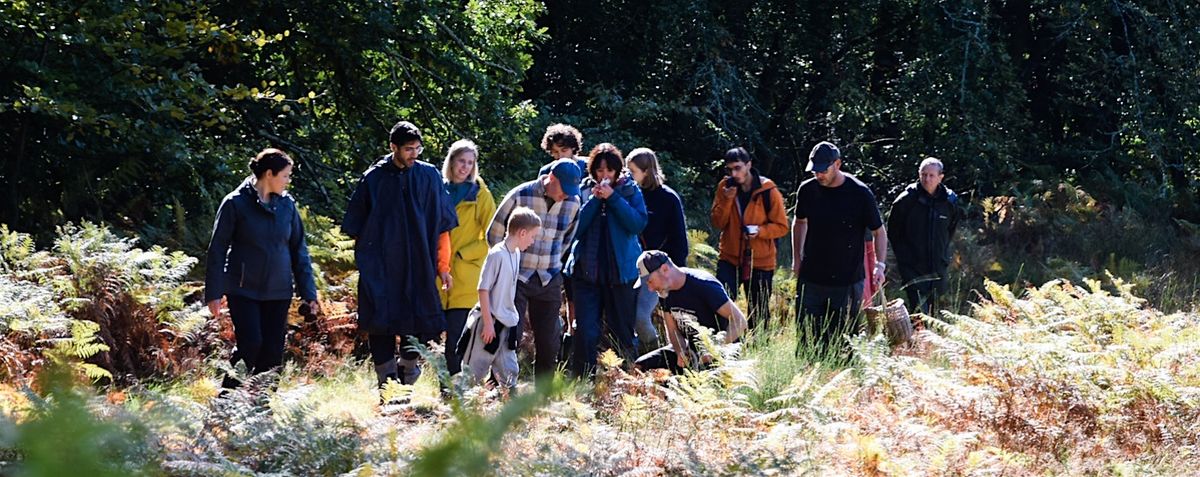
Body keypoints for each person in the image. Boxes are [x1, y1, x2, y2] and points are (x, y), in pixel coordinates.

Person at [342, 121, 458, 388]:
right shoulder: (373, 179)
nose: (413, 154)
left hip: (419, 264)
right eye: (408, 149)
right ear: (393, 147)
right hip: (381, 268)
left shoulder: (428, 176)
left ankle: (407, 371)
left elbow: (442, 227)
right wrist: (370, 262)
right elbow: (357, 228)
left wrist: (443, 267)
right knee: (380, 323)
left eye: (418, 148)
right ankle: (387, 385)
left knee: (420, 321)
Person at [205, 148, 319, 388]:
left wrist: (309, 294)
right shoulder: (235, 203)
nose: (288, 181)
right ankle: (227, 403)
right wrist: (213, 293)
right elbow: (217, 249)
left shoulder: (287, 206)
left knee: (273, 351)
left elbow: (300, 250)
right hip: (243, 289)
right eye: (285, 175)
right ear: (269, 174)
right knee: (251, 345)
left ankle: (262, 408)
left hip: (278, 291)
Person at [487, 158, 582, 377]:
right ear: (552, 179)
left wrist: (554, 260)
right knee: (511, 335)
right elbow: (494, 233)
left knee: (549, 341)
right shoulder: (521, 195)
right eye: (563, 189)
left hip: (549, 277)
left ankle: (542, 395)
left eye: (571, 190)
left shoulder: (574, 203)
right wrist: (507, 264)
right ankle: (499, 388)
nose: (566, 195)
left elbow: (567, 238)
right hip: (516, 277)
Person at [791, 141, 887, 350]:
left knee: (843, 343)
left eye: (823, 170)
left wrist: (880, 265)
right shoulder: (807, 190)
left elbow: (879, 232)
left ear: (837, 164)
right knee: (806, 338)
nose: (818, 175)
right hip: (811, 278)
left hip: (847, 281)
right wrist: (796, 259)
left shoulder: (860, 193)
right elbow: (799, 222)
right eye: (814, 170)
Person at [565, 143, 648, 376]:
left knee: (622, 331)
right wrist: (594, 202)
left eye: (609, 171)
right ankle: (583, 381)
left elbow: (637, 224)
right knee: (586, 331)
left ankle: (626, 380)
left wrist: (613, 199)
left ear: (617, 170)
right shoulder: (582, 190)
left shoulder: (630, 190)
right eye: (599, 171)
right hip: (586, 273)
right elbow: (574, 229)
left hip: (621, 274)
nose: (604, 176)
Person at [457, 207, 542, 388]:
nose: (532, 241)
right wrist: (488, 324)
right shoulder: (497, 254)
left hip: (506, 323)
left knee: (509, 369)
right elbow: (483, 289)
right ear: (522, 233)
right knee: (474, 372)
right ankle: (461, 406)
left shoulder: (516, 253)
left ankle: (510, 407)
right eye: (532, 236)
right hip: (489, 325)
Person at [709, 147, 789, 329]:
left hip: (760, 261)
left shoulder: (768, 190)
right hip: (729, 258)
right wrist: (728, 199)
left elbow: (782, 226)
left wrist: (760, 231)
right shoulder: (725, 187)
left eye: (737, 168)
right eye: (729, 169)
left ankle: (758, 349)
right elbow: (717, 222)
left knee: (759, 312)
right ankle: (724, 347)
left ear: (749, 165)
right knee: (720, 304)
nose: (734, 173)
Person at [633, 251, 748, 374]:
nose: (650, 289)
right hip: (692, 352)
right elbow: (672, 330)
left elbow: (740, 321)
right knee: (641, 366)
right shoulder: (664, 291)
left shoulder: (703, 285)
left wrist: (714, 349)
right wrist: (680, 351)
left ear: (665, 269)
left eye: (650, 281)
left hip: (721, 351)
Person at [439, 139, 497, 376]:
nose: (465, 167)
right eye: (461, 161)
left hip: (466, 277)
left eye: (470, 163)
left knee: (456, 338)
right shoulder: (437, 188)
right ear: (451, 162)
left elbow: (495, 236)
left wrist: (465, 254)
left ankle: (455, 389)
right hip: (436, 275)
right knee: (426, 337)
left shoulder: (479, 194)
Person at [626, 147, 688, 352]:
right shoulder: (629, 194)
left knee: (641, 317)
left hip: (657, 269)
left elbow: (679, 240)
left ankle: (653, 355)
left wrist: (673, 274)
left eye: (632, 171)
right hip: (629, 265)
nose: (628, 175)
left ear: (646, 171)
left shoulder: (668, 198)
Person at [887, 157, 960, 314]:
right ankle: (918, 337)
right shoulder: (906, 200)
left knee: (935, 312)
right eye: (923, 174)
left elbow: (950, 230)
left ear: (941, 177)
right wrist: (905, 258)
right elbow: (893, 232)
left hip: (938, 265)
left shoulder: (949, 201)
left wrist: (942, 255)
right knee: (919, 311)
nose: (927, 179)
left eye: (931, 175)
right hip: (912, 266)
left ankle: (931, 338)